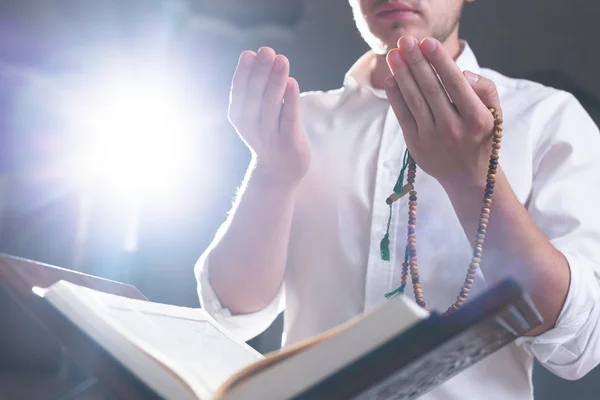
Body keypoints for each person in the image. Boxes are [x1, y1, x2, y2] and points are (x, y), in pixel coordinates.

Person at [195, 0, 600, 398]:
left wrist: (473, 182)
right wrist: (273, 175)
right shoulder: (299, 121)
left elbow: (580, 342)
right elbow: (232, 313)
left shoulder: (547, 117)